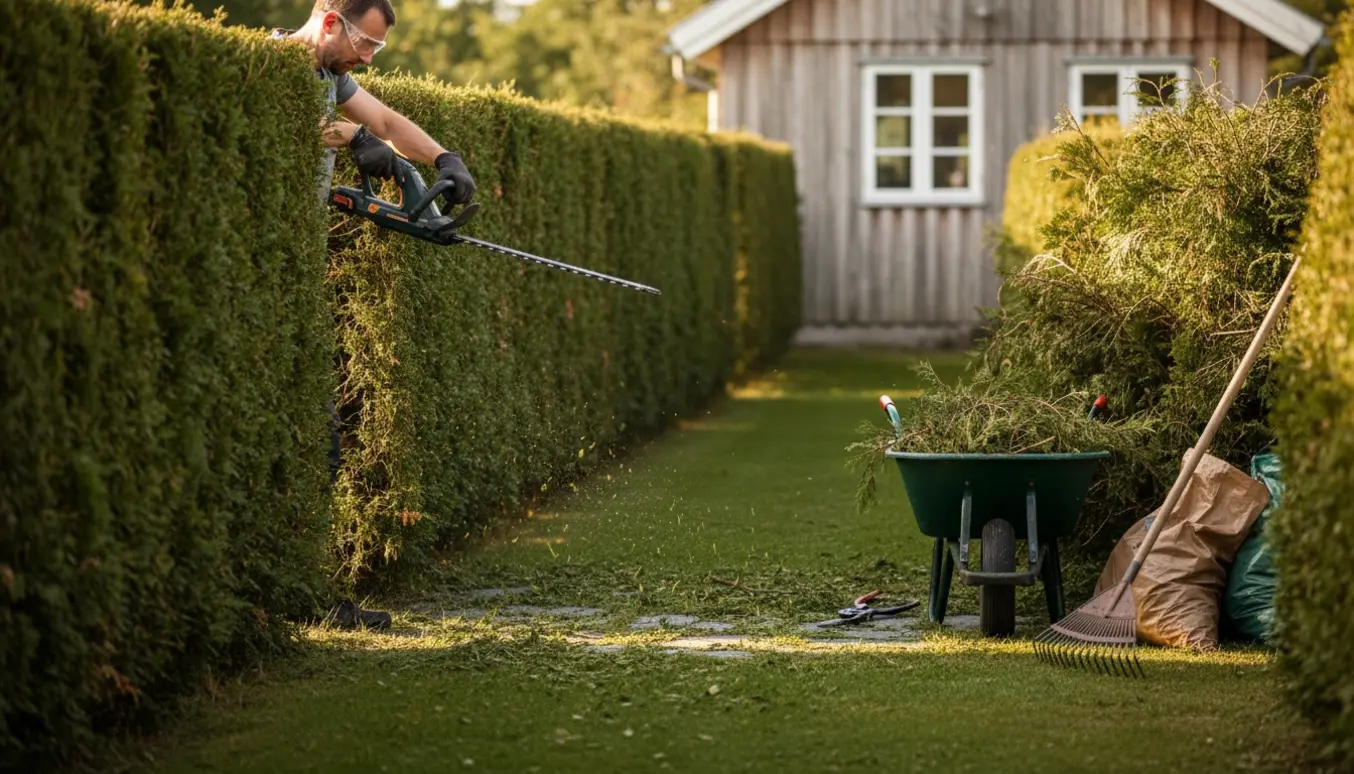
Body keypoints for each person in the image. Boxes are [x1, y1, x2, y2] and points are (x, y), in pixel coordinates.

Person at [271, 0, 478, 205]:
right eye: (363, 42)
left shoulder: (329, 74)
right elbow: (287, 129)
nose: (368, 59)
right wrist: (352, 135)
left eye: (375, 48)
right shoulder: (267, 62)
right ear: (330, 23)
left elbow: (385, 122)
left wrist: (443, 157)